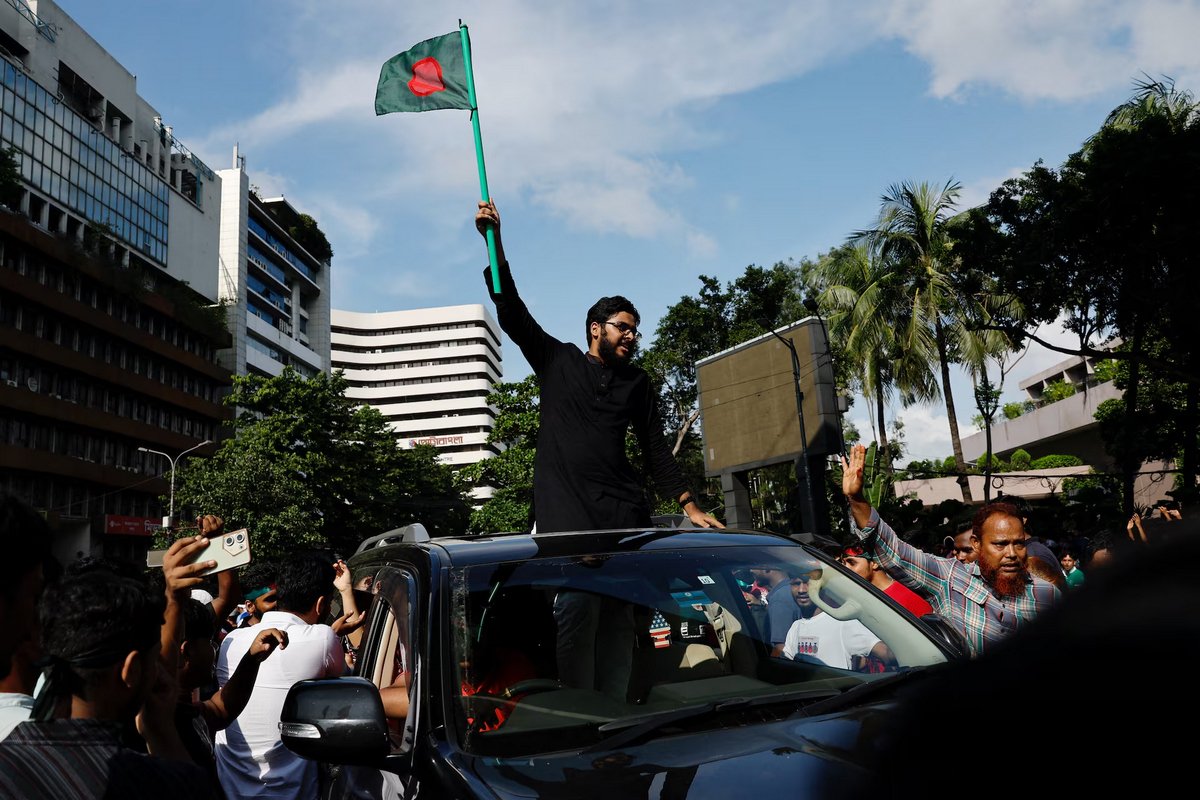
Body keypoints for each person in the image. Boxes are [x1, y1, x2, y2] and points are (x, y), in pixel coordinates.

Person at [474, 200, 723, 533]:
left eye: (634, 330)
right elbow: (512, 312)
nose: (631, 336)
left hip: (623, 515)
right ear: (596, 328)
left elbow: (655, 448)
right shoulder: (558, 360)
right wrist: (494, 240)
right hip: (564, 516)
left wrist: (689, 506)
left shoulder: (637, 382)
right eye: (623, 327)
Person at [0, 568, 217, 799]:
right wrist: (162, 732)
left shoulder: (9, 762)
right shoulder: (159, 782)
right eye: (154, 662)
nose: (158, 675)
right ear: (131, 671)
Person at [841, 444, 1060, 657]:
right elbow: (894, 552)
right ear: (977, 544)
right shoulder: (950, 578)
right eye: (1000, 544)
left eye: (1019, 543)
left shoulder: (1047, 594)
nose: (1011, 553)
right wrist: (857, 499)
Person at [213, 554, 345, 800]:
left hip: (227, 789)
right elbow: (344, 689)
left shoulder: (232, 640)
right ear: (321, 605)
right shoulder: (323, 638)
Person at [779, 569, 894, 670]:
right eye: (796, 584)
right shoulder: (796, 627)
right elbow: (786, 667)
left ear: (821, 585)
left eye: (807, 583)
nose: (801, 590)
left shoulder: (841, 621)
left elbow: (885, 653)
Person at [837, 544, 934, 618]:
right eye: (844, 563)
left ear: (874, 563)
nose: (846, 568)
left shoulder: (905, 598)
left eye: (852, 562)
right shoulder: (862, 597)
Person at [751, 565, 805, 654]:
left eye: (753, 565)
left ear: (766, 567)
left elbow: (781, 649)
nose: (751, 570)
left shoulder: (779, 599)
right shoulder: (790, 591)